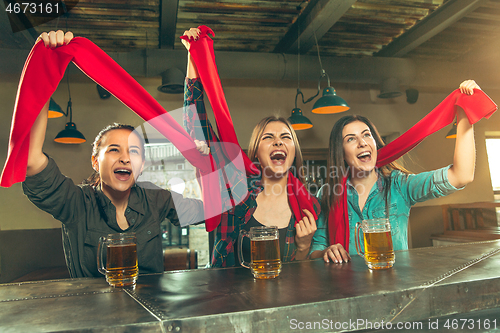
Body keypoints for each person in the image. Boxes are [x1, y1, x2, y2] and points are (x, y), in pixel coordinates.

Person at [22, 30, 209, 278]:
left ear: (141, 166)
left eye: (134, 151)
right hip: (93, 314)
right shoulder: (75, 203)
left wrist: (205, 163)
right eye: (113, 150)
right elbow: (32, 161)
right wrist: (43, 66)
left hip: (152, 312)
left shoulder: (157, 200)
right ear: (95, 161)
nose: (125, 158)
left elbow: (210, 211)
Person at [182, 27, 320, 267]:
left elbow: (303, 277)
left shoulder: (309, 205)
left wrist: (304, 247)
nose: (278, 141)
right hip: (228, 301)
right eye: (269, 137)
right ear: (256, 152)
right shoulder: (235, 189)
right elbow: (196, 125)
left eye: (286, 137)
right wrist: (195, 55)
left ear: (294, 151)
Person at [309, 80, 480, 263]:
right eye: (351, 139)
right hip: (348, 289)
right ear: (341, 153)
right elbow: (315, 250)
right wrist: (327, 251)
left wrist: (464, 111)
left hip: (395, 285)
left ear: (375, 143)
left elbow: (461, 175)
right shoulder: (327, 193)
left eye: (367, 135)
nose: (362, 142)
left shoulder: (400, 185)